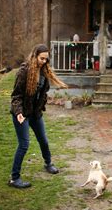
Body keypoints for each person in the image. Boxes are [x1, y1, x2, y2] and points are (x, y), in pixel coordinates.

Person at [8, 44, 68, 189]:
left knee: (44, 140)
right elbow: (16, 96)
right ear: (34, 56)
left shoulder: (44, 71)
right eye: (42, 59)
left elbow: (42, 93)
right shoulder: (24, 71)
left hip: (35, 114)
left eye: (46, 59)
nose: (44, 61)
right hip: (22, 114)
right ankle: (14, 178)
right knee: (24, 145)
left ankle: (48, 164)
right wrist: (19, 113)